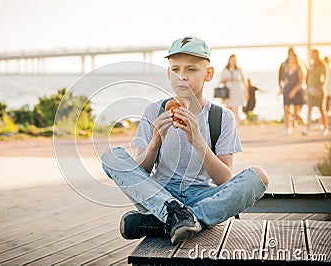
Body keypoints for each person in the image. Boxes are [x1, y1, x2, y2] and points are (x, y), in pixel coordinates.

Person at [101, 36, 269, 245]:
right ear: (168, 72)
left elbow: (224, 179)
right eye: (175, 69)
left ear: (208, 74)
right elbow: (139, 172)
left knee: (259, 177)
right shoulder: (154, 111)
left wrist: (198, 140)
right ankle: (176, 215)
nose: (182, 77)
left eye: (191, 69)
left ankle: (168, 221)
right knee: (111, 157)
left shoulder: (222, 117)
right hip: (158, 193)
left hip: (203, 196)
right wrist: (154, 143)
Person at [279, 49, 306, 135]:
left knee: (296, 113)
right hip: (287, 91)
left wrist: (293, 91)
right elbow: (286, 80)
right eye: (289, 58)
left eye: (292, 58)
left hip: (297, 92)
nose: (290, 59)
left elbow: (301, 82)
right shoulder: (286, 68)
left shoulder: (300, 69)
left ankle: (305, 125)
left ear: (295, 58)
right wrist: (282, 89)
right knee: (286, 110)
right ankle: (287, 128)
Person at [303, 49, 328, 136]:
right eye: (311, 54)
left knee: (322, 110)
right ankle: (307, 129)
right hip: (310, 90)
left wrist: (318, 89)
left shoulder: (322, 65)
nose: (312, 56)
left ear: (317, 55)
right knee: (309, 109)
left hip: (319, 91)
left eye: (313, 54)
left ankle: (325, 128)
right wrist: (307, 89)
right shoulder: (311, 65)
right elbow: (308, 78)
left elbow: (324, 79)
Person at [220, 54, 246, 124]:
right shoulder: (225, 69)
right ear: (229, 60)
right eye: (232, 59)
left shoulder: (239, 69)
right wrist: (226, 79)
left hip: (237, 91)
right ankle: (230, 125)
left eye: (234, 60)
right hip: (228, 92)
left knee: (235, 109)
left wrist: (246, 93)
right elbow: (221, 81)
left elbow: (244, 81)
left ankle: (236, 125)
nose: (233, 61)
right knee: (229, 109)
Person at [324, 56, 331, 120]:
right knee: (326, 108)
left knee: (327, 108)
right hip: (326, 92)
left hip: (329, 91)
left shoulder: (329, 70)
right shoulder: (324, 70)